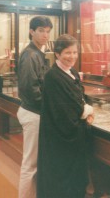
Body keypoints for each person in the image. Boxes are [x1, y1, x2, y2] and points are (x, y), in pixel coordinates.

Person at [37, 34, 94, 198]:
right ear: (57, 54)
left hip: (72, 140)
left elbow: (80, 97)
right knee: (62, 184)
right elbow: (63, 113)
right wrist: (86, 112)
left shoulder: (72, 72)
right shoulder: (52, 77)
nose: (72, 57)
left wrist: (86, 109)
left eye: (75, 52)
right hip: (60, 140)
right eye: (67, 53)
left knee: (75, 183)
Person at [16, 16, 53, 198]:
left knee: (34, 164)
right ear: (32, 32)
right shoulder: (31, 55)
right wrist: (49, 108)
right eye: (41, 31)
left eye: (47, 31)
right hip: (32, 113)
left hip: (35, 112)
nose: (45, 35)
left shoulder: (38, 53)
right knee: (30, 165)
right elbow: (30, 89)